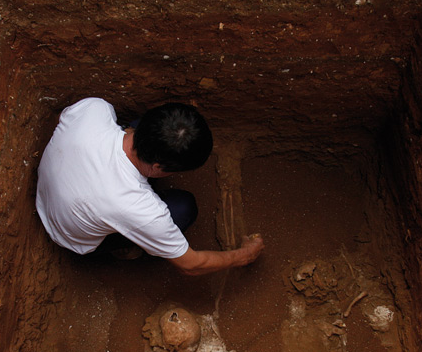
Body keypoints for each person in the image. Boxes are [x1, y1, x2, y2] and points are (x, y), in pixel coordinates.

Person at [35, 97, 264, 275]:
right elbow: (191, 265)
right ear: (157, 167)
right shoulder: (142, 210)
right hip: (70, 237)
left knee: (132, 126)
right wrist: (243, 255)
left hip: (48, 195)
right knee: (183, 208)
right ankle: (125, 248)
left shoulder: (95, 108)